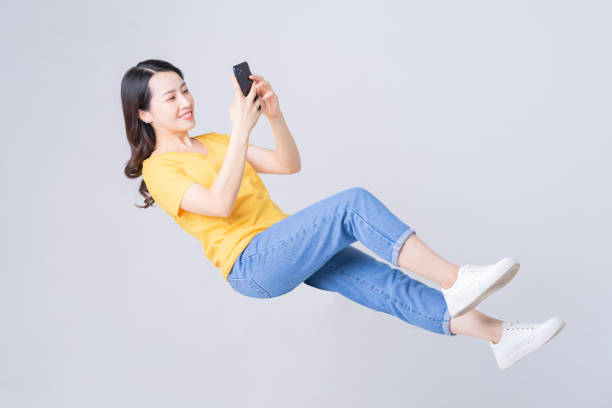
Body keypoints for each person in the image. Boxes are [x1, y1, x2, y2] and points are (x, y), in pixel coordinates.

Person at [121, 59, 565, 371]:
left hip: (284, 244)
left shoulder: (216, 141)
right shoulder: (160, 169)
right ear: (144, 113)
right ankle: (455, 279)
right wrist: (240, 130)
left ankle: (501, 336)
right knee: (351, 205)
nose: (184, 101)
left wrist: (273, 117)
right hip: (251, 262)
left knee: (389, 286)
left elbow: (288, 164)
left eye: (185, 89)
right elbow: (219, 204)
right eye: (170, 97)